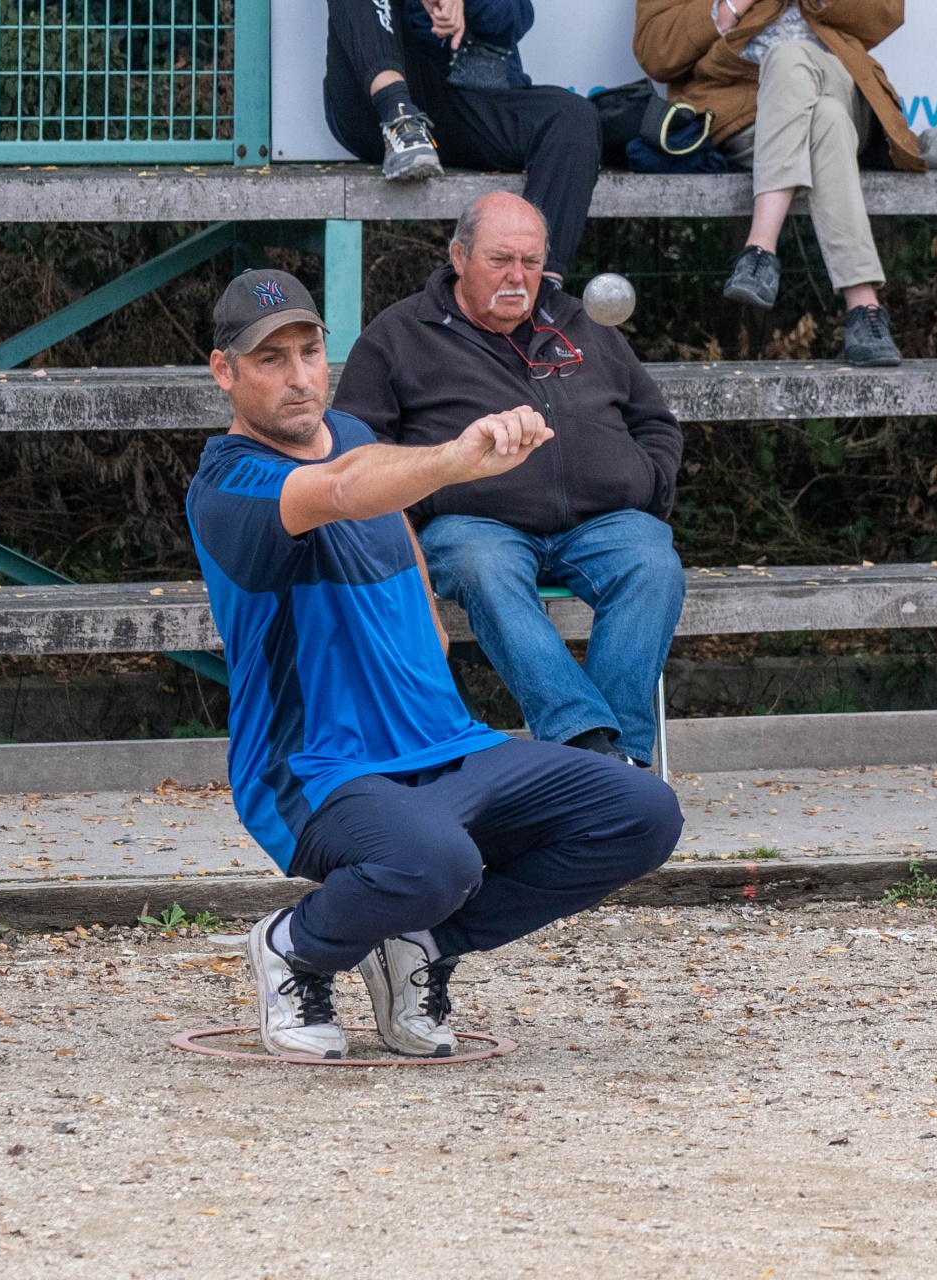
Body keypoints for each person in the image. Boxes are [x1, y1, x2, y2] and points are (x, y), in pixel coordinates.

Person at [187, 268, 683, 1059]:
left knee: (640, 811)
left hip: (444, 743)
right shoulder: (229, 483)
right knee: (434, 860)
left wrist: (420, 597)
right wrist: (455, 459)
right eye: (270, 359)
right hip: (315, 770)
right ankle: (296, 947)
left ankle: (419, 944)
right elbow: (344, 490)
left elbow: (377, 491)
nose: (298, 376)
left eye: (309, 352)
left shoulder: (349, 433)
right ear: (225, 372)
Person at [333, 192, 684, 769]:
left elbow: (654, 421)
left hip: (603, 522)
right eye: (500, 261)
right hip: (474, 525)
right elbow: (356, 449)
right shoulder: (399, 335)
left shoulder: (581, 322)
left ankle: (615, 762)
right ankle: (584, 746)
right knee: (482, 565)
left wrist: (647, 484)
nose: (519, 277)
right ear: (459, 256)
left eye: (532, 262)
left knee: (653, 561)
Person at [634, 0, 925, 367]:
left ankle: (759, 250)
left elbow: (884, 14)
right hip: (742, 111)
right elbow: (654, 51)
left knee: (791, 58)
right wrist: (730, 7)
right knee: (826, 120)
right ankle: (864, 306)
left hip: (838, 83)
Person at [323, 0, 601, 280]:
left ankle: (539, 294)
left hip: (462, 103)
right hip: (379, 106)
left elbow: (516, 17)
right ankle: (401, 120)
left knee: (574, 118)